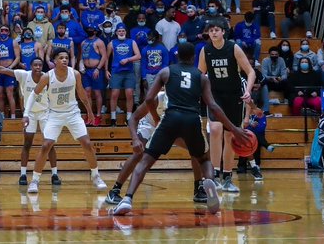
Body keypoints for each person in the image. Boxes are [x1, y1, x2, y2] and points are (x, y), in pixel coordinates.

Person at [107, 41, 251, 216]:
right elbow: (213, 106)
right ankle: (209, 182)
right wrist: (234, 128)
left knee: (146, 160)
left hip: (168, 120)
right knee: (203, 157)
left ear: (177, 56)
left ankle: (128, 198)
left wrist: (158, 118)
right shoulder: (201, 77)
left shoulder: (166, 72)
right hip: (179, 120)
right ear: (193, 58)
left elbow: (148, 99)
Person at [24, 48, 105, 193]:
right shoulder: (47, 77)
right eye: (61, 57)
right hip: (54, 114)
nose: (64, 60)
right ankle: (35, 180)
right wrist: (26, 113)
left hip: (73, 113)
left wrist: (90, 111)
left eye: (66, 57)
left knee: (86, 142)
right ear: (54, 61)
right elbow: (33, 95)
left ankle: (96, 176)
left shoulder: (75, 74)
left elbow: (81, 93)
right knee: (46, 145)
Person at [0, 59, 60, 184]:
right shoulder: (24, 75)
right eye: (35, 65)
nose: (38, 67)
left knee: (49, 144)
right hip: (29, 114)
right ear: (31, 66)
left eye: (40, 65)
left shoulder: (47, 77)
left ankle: (55, 174)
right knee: (27, 144)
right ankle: (23, 175)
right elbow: (2, 70)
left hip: (44, 113)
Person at [197, 18, 255, 193]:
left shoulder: (233, 48)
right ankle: (213, 176)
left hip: (234, 96)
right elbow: (200, 74)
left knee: (231, 136)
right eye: (211, 30)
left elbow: (250, 71)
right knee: (215, 129)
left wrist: (249, 90)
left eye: (217, 29)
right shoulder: (205, 50)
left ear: (223, 32)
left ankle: (228, 177)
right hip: (215, 96)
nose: (214, 32)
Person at [260, 47, 290, 113]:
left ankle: (286, 99)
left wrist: (281, 78)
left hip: (279, 81)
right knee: (263, 82)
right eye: (272, 54)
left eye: (276, 54)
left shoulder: (281, 60)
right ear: (269, 54)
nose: (274, 56)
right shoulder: (265, 61)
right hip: (269, 81)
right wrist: (271, 78)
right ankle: (265, 106)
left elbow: (284, 74)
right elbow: (264, 75)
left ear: (278, 55)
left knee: (286, 81)